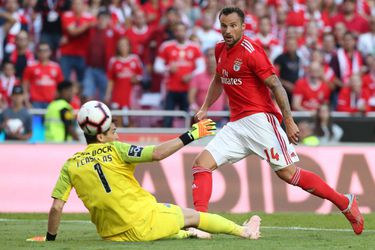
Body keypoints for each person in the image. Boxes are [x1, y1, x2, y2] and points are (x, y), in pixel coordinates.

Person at [190, 6, 364, 235]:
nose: (228, 30)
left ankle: (344, 202)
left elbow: (276, 85)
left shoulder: (252, 51)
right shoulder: (220, 49)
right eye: (224, 26)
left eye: (233, 25)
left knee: (289, 174)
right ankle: (199, 223)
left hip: (260, 121)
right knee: (201, 164)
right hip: (236, 125)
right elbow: (218, 79)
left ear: (243, 26)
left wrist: (289, 120)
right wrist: (204, 108)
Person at [26, 102, 262, 242]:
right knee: (193, 216)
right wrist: (192, 135)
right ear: (100, 136)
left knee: (167, 222)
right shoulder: (117, 149)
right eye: (113, 131)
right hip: (143, 221)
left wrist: (50, 239)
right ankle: (245, 231)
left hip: (111, 236)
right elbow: (158, 153)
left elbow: (57, 207)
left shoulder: (70, 164)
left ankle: (186, 234)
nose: (116, 135)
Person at [154, 22, 205, 127]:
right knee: (168, 118)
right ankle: (166, 140)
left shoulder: (194, 47)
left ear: (186, 31)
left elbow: (201, 67)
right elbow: (157, 66)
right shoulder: (166, 46)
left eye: (182, 30)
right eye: (177, 30)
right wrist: (167, 68)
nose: (180, 33)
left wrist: (191, 75)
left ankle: (190, 141)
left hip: (189, 89)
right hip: (171, 89)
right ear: (174, 32)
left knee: (189, 118)